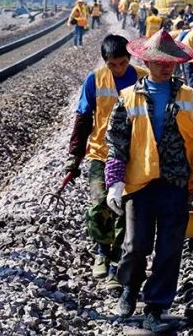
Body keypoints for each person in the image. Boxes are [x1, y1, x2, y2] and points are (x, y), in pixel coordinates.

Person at [105, 30, 193, 333]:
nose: (167, 67)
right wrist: (114, 182)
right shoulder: (128, 98)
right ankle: (129, 287)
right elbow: (117, 142)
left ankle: (155, 306)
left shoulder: (187, 96)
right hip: (140, 183)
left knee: (169, 248)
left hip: (175, 182)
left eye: (172, 62)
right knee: (135, 245)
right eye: (160, 62)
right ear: (148, 62)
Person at [63, 35, 148, 291]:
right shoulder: (95, 80)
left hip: (134, 156)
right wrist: (74, 159)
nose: (119, 69)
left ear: (129, 59)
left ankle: (116, 264)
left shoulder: (143, 77)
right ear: (105, 62)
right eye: (113, 65)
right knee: (98, 205)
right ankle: (102, 250)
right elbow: (83, 119)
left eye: (122, 63)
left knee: (124, 211)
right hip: (101, 154)